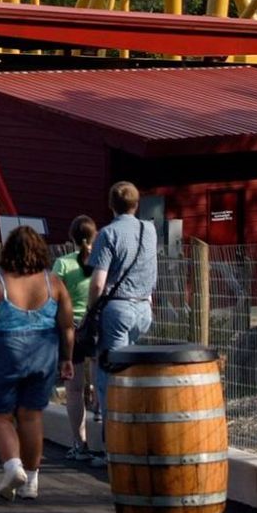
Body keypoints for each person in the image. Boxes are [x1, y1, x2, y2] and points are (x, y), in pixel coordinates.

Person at [0, 225, 75, 502]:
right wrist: (67, 358)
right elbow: (66, 327)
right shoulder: (55, 284)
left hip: (7, 352)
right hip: (44, 353)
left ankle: (13, 466)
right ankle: (32, 481)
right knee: (31, 416)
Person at [88, 182, 156, 463]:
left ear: (110, 204)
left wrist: (92, 311)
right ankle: (133, 437)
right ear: (136, 205)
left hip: (117, 309)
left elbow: (99, 281)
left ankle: (113, 447)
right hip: (143, 307)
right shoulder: (149, 230)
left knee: (110, 378)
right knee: (132, 374)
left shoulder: (108, 234)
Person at [53, 215, 99, 462]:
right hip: (97, 327)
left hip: (71, 331)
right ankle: (101, 443)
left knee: (74, 391)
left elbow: (53, 298)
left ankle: (78, 443)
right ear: (95, 236)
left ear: (71, 237)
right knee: (100, 387)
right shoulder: (102, 262)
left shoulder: (62, 265)